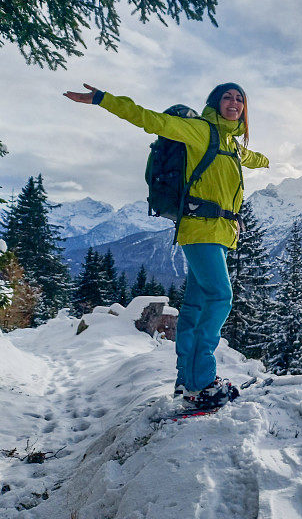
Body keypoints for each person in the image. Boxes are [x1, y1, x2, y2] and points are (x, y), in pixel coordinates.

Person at [64, 83, 269, 408]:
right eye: (227, 97)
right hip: (201, 230)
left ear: (245, 108)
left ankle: (186, 380)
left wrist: (267, 161)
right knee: (220, 297)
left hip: (216, 232)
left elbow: (251, 157)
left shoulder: (231, 143)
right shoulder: (200, 131)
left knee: (195, 307)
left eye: (240, 99)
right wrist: (102, 99)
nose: (234, 102)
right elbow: (150, 119)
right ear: (215, 102)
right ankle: (202, 382)